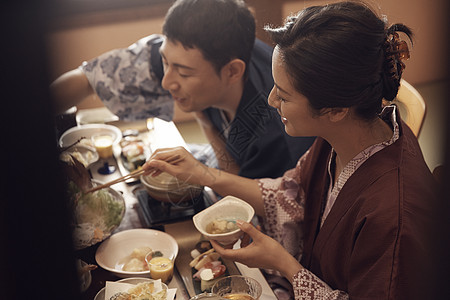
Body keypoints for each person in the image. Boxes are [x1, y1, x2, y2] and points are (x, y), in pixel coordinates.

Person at [143, 1, 440, 299]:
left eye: (284, 96)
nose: (271, 100)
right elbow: (290, 194)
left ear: (335, 108)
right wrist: (203, 173)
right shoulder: (343, 133)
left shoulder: (393, 215)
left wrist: (284, 264)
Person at [50, 0, 315, 179]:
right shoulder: (184, 53)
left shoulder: (272, 127)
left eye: (184, 73)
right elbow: (87, 78)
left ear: (232, 71)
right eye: (165, 61)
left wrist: (205, 127)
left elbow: (241, 197)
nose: (167, 81)